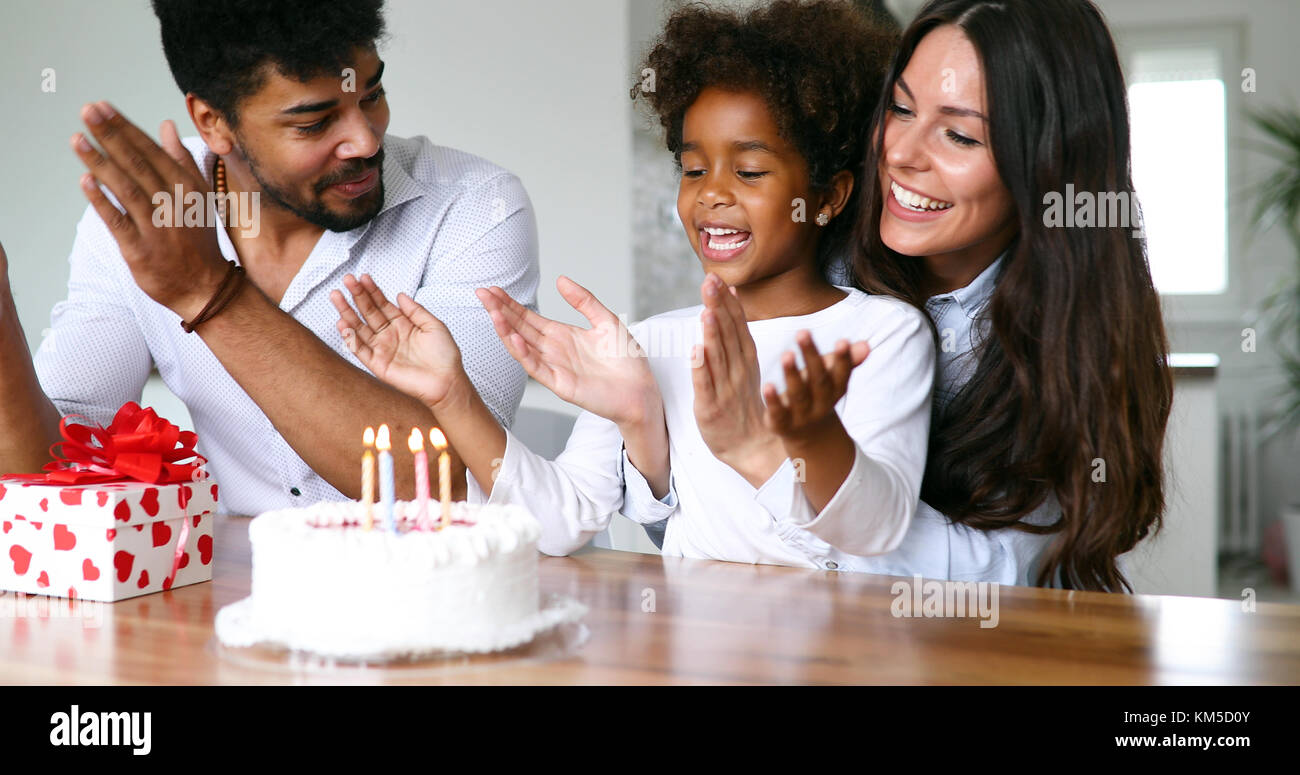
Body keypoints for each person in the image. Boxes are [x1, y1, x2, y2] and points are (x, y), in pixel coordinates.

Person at [332, 0, 933, 568]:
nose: (712, 193)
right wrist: (452, 397)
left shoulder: (881, 335)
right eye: (693, 169)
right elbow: (559, 524)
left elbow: (875, 535)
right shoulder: (645, 347)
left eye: (749, 171)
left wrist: (791, 441)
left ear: (827, 197)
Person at [0, 0, 539, 516]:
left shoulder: (475, 205)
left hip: (436, 590)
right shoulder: (148, 221)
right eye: (314, 122)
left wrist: (210, 291)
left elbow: (448, 479)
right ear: (213, 121)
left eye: (371, 94)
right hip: (233, 592)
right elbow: (53, 478)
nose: (364, 142)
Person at [848, 0, 1173, 591]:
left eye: (960, 134)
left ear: (1047, 164)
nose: (899, 152)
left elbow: (1002, 575)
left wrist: (788, 465)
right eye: (899, 108)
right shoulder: (827, 272)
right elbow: (706, 537)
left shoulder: (1080, 344)